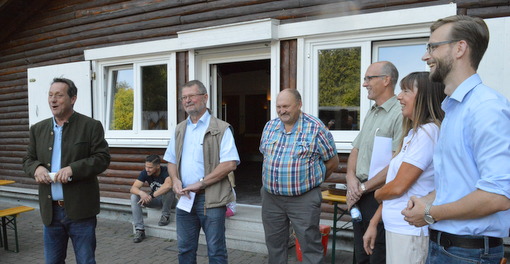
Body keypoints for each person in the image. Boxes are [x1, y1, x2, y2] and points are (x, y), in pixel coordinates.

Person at [402, 15, 510, 264]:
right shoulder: (454, 108)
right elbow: (461, 182)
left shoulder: (487, 108)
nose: (425, 56)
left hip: (468, 254)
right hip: (448, 248)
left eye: (432, 47)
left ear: (460, 48)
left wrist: (430, 212)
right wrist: (428, 200)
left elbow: (498, 196)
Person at [22, 77, 111, 263]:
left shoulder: (90, 126)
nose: (53, 100)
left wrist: (73, 169)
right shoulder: (38, 129)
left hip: (81, 211)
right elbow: (28, 160)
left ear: (73, 99)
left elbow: (102, 159)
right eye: (50, 95)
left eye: (59, 95)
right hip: (51, 212)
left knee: (86, 260)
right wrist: (36, 168)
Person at [362, 72, 445, 264]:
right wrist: (374, 222)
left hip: (409, 231)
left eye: (406, 91)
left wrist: (375, 194)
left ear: (425, 97)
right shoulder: (414, 134)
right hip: (400, 228)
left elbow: (398, 187)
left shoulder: (428, 132)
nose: (399, 96)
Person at [163, 80, 240, 264]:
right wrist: (174, 180)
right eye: (184, 97)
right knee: (185, 249)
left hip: (210, 199)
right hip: (185, 198)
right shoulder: (180, 129)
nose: (187, 100)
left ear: (205, 98)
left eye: (191, 96)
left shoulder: (221, 128)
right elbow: (171, 160)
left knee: (216, 251)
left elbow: (230, 163)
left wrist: (202, 182)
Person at [259, 88, 339, 264]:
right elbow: (266, 156)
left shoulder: (315, 127)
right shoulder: (270, 126)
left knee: (310, 245)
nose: (282, 111)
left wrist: (312, 180)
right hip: (271, 198)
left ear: (299, 104)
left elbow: (333, 162)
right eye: (279, 107)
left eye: (286, 106)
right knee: (274, 245)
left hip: (303, 199)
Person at [345, 61, 402, 264]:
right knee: (360, 254)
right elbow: (356, 149)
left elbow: (397, 163)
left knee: (376, 253)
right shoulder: (372, 111)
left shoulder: (400, 113)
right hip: (360, 193)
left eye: (369, 78)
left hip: (378, 197)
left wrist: (363, 187)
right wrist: (351, 179)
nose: (364, 84)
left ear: (386, 80)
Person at [130, 154, 175, 243]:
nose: (147, 169)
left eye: (150, 167)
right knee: (134, 196)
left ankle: (165, 215)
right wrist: (141, 193)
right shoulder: (145, 172)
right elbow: (133, 188)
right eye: (146, 166)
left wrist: (151, 196)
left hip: (171, 201)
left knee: (168, 191)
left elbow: (168, 185)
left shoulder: (166, 171)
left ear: (158, 166)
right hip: (155, 200)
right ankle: (140, 230)